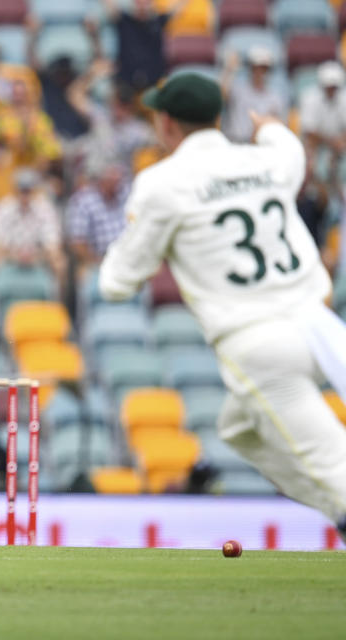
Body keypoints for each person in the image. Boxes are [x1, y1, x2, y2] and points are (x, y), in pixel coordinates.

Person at [98, 72, 346, 539]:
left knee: (334, 461)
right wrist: (268, 124)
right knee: (238, 428)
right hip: (320, 324)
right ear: (217, 117)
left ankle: (342, 505)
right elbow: (289, 146)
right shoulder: (268, 159)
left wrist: (139, 233)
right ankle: (340, 510)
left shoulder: (162, 183)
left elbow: (116, 283)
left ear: (166, 123)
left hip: (260, 343)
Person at [220, 47, 287, 143]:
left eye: (264, 68)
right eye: (256, 67)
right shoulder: (237, 90)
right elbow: (221, 94)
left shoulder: (275, 98)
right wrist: (229, 70)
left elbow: (279, 125)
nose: (260, 72)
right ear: (250, 68)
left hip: (260, 145)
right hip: (234, 141)